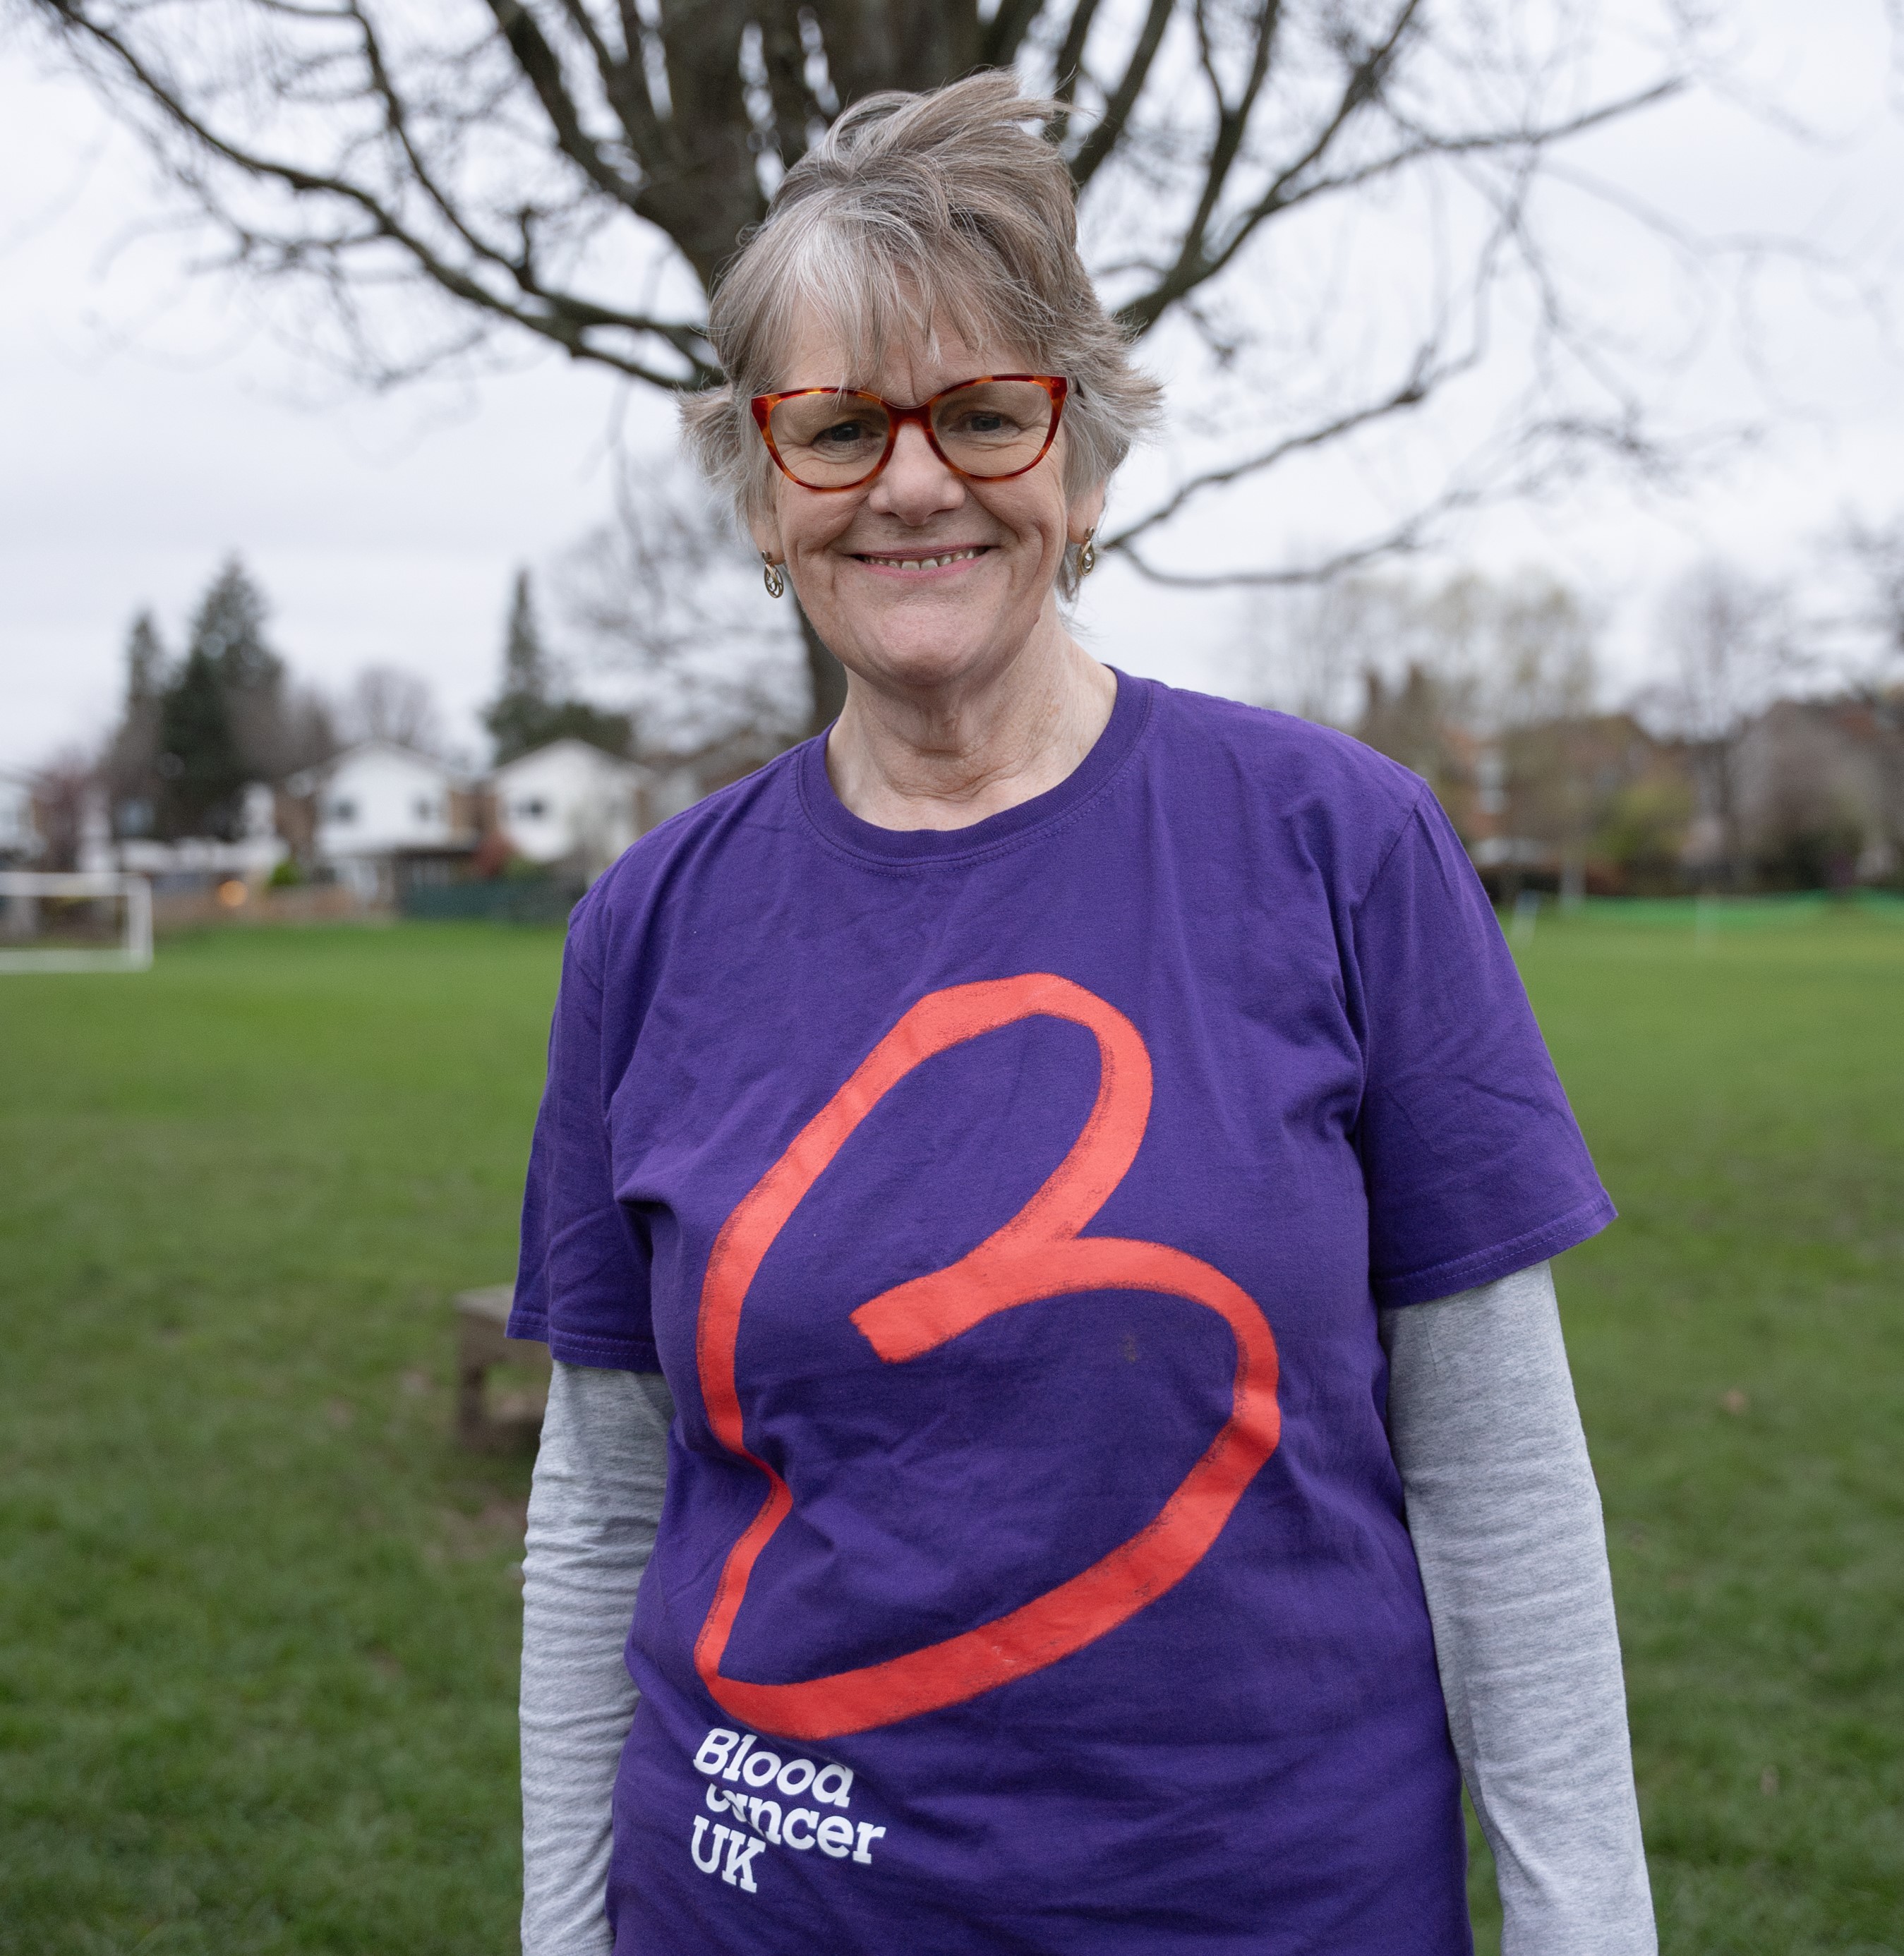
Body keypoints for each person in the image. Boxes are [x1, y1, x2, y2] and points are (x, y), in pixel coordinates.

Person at [511, 73, 1654, 1956]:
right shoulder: (649, 922)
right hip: (762, 1906)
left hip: (1268, 1913)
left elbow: (1498, 1478)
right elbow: (598, 1510)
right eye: (834, 424)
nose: (910, 480)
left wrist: (1581, 1928)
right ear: (759, 484)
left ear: (1086, 463)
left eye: (980, 412)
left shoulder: (1335, 844)